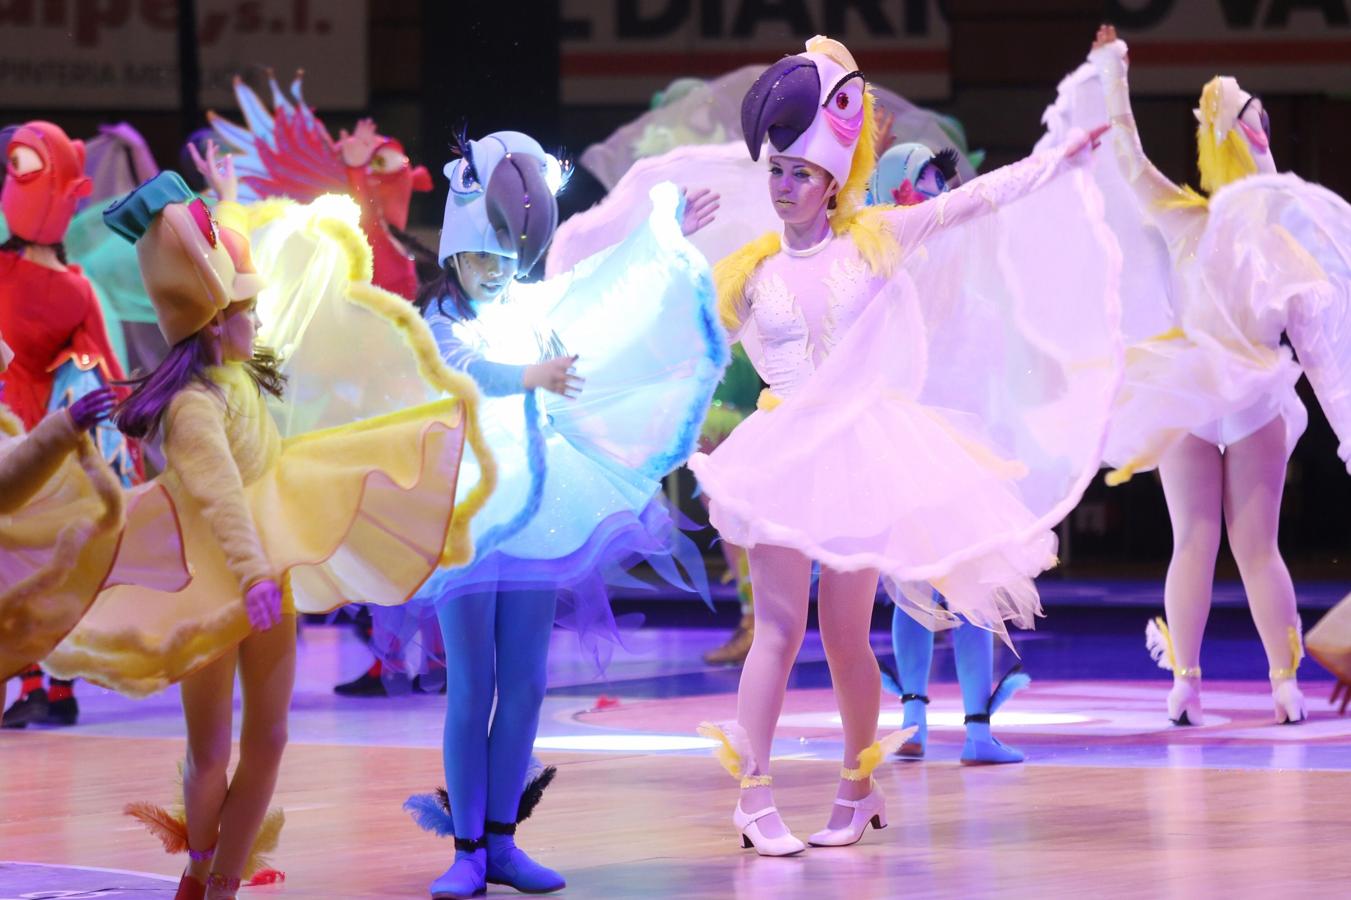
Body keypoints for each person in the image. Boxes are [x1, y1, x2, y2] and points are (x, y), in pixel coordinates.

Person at [689, 35, 1121, 855]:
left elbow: (975, 201)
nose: (785, 188)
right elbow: (685, 343)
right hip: (781, 459)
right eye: (776, 172)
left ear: (832, 179)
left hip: (856, 456)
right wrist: (668, 246)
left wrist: (1058, 158)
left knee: (848, 635)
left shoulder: (879, 237)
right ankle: (752, 796)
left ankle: (857, 787)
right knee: (778, 630)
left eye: (801, 174)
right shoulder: (747, 271)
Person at [43, 159, 492, 899]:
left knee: (271, 738)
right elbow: (220, 499)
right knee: (210, 749)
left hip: (264, 572)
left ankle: (221, 881)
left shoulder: (238, 374)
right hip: (216, 585)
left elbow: (238, 290)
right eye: (244, 308)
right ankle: (200, 870)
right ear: (214, 320)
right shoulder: (192, 407)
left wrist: (221, 202)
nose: (258, 317)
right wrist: (253, 576)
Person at [388, 129, 723, 899]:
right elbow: (459, 370)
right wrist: (531, 374)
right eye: (486, 259)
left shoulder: (529, 306)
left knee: (530, 682)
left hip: (538, 513)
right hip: (465, 516)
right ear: (456, 253)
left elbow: (607, 283)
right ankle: (466, 847)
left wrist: (662, 233)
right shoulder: (434, 321)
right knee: (473, 682)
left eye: (510, 260)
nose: (500, 273)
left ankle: (502, 841)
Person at [1068, 25, 1351, 725]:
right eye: (1252, 125)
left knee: (1236, 545)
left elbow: (1318, 351)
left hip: (1226, 392)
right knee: (1209, 542)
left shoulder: (1261, 237)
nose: (1258, 135)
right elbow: (1128, 163)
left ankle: (1273, 683)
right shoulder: (1201, 221)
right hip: (1205, 391)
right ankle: (1196, 685)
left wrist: (1348, 431)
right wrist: (1110, 72)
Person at [867, 142, 1028, 765]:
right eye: (921, 180)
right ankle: (915, 720)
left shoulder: (965, 284)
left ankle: (975, 729)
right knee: (913, 588)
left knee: (973, 591)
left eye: (940, 180)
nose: (935, 191)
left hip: (965, 451)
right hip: (909, 445)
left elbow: (990, 373)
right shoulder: (881, 276)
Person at [0, 120, 137, 728]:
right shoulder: (59, 284)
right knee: (28, 565)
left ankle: (44, 684)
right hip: (28, 441)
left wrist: (127, 433)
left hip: (38, 445)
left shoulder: (72, 287)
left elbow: (105, 372)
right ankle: (49, 687)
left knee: (27, 565)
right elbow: (107, 370)